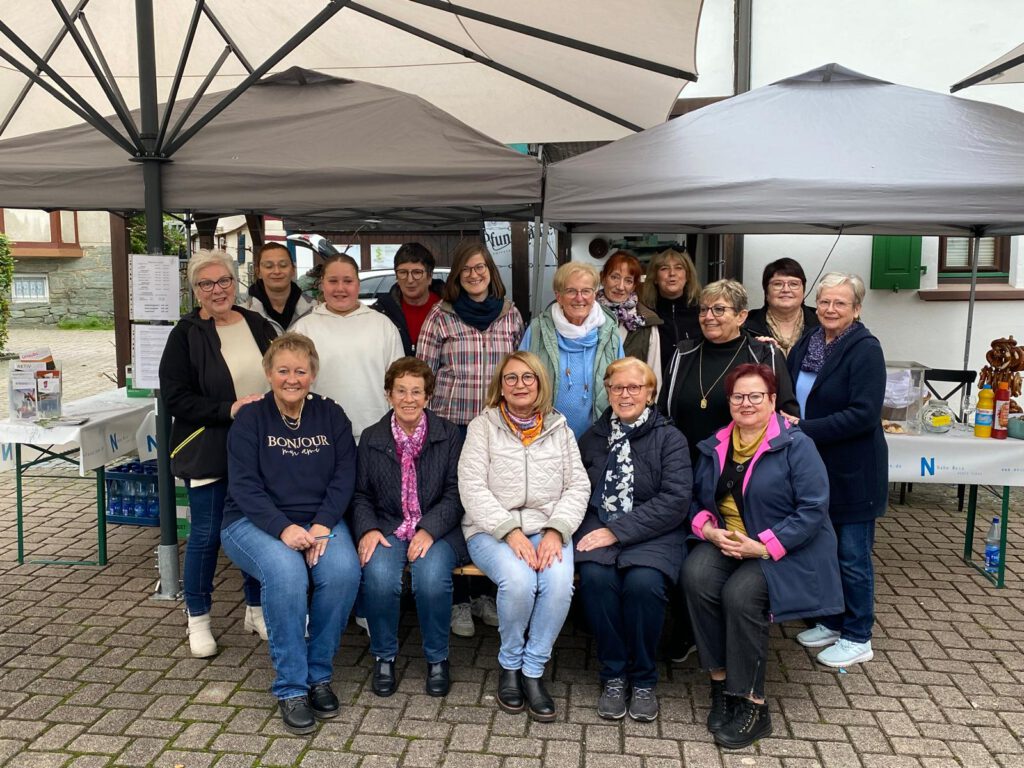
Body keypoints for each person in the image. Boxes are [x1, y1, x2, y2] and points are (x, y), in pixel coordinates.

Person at [682, 363, 842, 750]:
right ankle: (722, 686)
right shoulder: (717, 443)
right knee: (696, 575)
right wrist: (707, 528)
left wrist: (764, 545)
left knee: (741, 595)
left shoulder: (796, 444)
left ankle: (754, 702)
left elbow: (813, 508)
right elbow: (696, 500)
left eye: (756, 396)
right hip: (731, 542)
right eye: (738, 396)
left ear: (773, 401)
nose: (746, 403)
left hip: (785, 548)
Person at [220, 333, 360, 735]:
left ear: (313, 374)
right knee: (287, 575)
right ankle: (291, 688)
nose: (292, 378)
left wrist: (321, 524)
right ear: (268, 373)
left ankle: (318, 676)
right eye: (283, 370)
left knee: (344, 572)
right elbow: (244, 486)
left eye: (300, 370)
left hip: (320, 521)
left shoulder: (331, 416)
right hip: (252, 522)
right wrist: (283, 529)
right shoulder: (251, 419)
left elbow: (344, 475)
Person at [459, 352, 590, 722]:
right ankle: (510, 665)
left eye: (528, 378)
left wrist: (557, 529)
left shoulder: (559, 427)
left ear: (540, 384)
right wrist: (509, 531)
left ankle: (533, 670)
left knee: (559, 583)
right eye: (511, 378)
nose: (520, 385)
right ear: (500, 385)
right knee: (518, 582)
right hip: (491, 530)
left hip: (548, 528)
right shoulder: (482, 427)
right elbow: (471, 487)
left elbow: (578, 485)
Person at [159, 249, 275, 658]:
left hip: (257, 450)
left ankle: (257, 609)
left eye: (223, 280)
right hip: (209, 447)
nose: (217, 290)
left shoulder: (257, 324)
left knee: (258, 532)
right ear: (195, 291)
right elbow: (175, 398)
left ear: (235, 282)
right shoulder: (185, 334)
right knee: (206, 536)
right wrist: (226, 409)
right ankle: (198, 619)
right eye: (206, 284)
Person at [416, 239, 522, 636]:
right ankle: (459, 597)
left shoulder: (511, 316)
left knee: (493, 508)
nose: (475, 275)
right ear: (457, 277)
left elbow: (521, 370)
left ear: (491, 272)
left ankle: (486, 593)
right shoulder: (439, 317)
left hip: (499, 429)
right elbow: (423, 373)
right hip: (452, 426)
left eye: (481, 268)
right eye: (467, 270)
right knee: (454, 508)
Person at [576, 358, 691, 722]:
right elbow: (576, 488)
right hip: (599, 522)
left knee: (644, 584)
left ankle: (643, 678)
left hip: (655, 529)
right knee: (596, 579)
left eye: (634, 387)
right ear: (607, 391)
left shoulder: (669, 437)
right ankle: (613, 674)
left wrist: (619, 531)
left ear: (650, 393)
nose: (625, 394)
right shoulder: (593, 436)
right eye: (616, 387)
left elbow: (675, 499)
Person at [786, 272, 887, 669]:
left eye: (840, 303)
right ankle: (830, 620)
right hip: (815, 466)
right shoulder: (809, 342)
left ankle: (858, 635)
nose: (829, 309)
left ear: (856, 309)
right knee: (824, 550)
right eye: (825, 302)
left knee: (852, 556)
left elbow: (863, 415)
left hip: (854, 471)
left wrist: (804, 429)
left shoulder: (865, 349)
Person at [352, 357, 466, 699]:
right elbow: (359, 494)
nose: (408, 398)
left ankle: (437, 659)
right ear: (388, 394)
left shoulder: (448, 435)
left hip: (439, 527)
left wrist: (429, 529)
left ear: (428, 396)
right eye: (400, 390)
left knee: (430, 579)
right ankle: (384, 656)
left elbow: (456, 491)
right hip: (388, 524)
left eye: (417, 391)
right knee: (380, 576)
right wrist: (368, 529)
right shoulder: (372, 438)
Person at [660, 279, 798, 468]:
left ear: (741, 316)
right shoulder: (683, 354)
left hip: (744, 471)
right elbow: (662, 412)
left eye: (719, 309)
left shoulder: (764, 355)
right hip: (684, 468)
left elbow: (785, 416)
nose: (708, 316)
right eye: (703, 309)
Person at [293, 253, 404, 442]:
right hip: (318, 435)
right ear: (322, 284)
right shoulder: (303, 329)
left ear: (358, 284)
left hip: (374, 434)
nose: (340, 288)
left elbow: (399, 382)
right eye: (333, 281)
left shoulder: (383, 326)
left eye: (348, 281)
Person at [520, 262, 623, 439]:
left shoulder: (609, 331)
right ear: (558, 296)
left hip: (597, 438)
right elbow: (520, 380)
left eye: (586, 291)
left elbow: (622, 382)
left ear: (594, 295)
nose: (579, 298)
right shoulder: (538, 330)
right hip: (545, 436)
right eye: (571, 291)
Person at [597, 251, 665, 390]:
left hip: (630, 403)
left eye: (628, 281)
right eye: (615, 277)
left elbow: (654, 373)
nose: (620, 286)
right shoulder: (587, 315)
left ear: (634, 286)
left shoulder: (646, 321)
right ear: (603, 278)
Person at [372, 242, 446, 356]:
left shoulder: (450, 310)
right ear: (396, 276)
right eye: (403, 272)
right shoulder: (382, 312)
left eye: (417, 272)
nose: (410, 280)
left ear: (430, 276)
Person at [743, 258, 820, 356]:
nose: (786, 289)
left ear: (803, 290)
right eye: (778, 284)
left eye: (794, 284)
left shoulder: (821, 323)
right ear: (766, 291)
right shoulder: (746, 325)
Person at [641, 248, 702, 371]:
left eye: (679, 268)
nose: (672, 273)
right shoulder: (644, 314)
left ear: (687, 276)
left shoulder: (703, 312)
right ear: (655, 278)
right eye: (664, 268)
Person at [245, 242, 315, 333]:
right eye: (269, 266)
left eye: (283, 265)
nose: (277, 271)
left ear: (293, 270)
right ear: (258, 272)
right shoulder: (244, 313)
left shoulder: (313, 309)